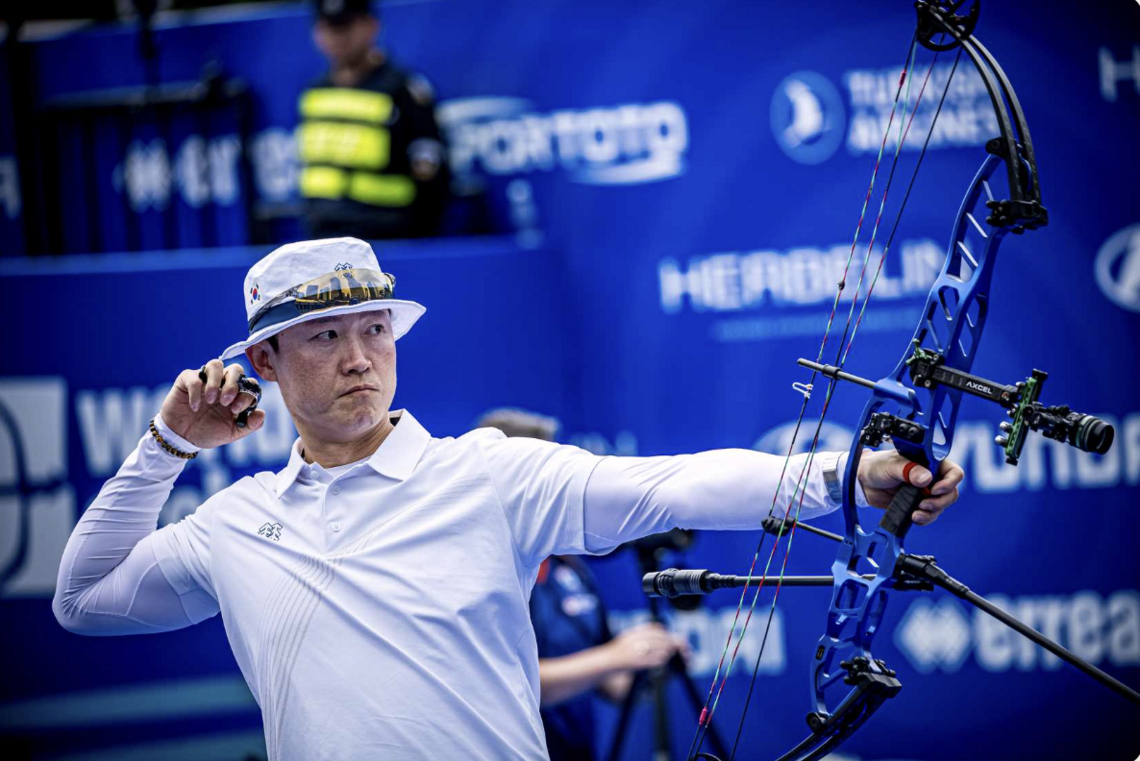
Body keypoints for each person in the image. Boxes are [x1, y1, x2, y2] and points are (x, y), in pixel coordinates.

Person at [53, 237, 964, 761]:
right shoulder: (236, 519)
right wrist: (167, 445)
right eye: (324, 336)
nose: (361, 356)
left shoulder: (486, 472)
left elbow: (672, 481)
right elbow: (83, 602)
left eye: (375, 329)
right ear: (264, 364)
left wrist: (851, 476)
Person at [478, 409, 689, 761]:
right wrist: (613, 656)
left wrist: (648, 665)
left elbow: (610, 684)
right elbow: (501, 683)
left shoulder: (568, 568)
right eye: (537, 474)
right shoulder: (478, 570)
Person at [298, 0, 448, 239]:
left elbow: (430, 170)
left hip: (387, 232)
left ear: (371, 26)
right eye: (328, 27)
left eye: (345, 25)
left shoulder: (403, 89)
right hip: (323, 235)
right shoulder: (315, 90)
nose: (337, 36)